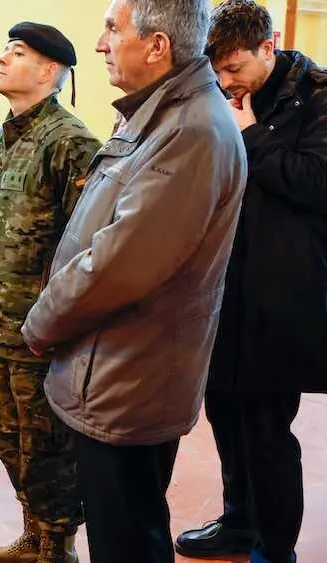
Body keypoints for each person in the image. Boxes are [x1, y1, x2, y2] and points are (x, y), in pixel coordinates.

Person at [19, 0, 247, 561]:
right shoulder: (161, 115)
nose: (100, 44)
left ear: (157, 47)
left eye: (111, 29)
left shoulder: (190, 130)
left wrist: (41, 322)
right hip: (112, 367)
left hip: (130, 379)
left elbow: (120, 264)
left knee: (127, 539)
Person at [175, 2, 327, 561]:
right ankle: (239, 520)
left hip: (281, 293)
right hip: (220, 289)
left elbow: (317, 183)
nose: (224, 81)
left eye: (236, 68)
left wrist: (252, 134)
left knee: (266, 429)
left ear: (271, 44)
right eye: (216, 69)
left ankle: (276, 547)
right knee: (224, 415)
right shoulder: (218, 89)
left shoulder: (318, 96)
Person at [0, 22, 101, 563]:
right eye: (5, 49)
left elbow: (90, 247)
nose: (2, 58)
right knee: (13, 445)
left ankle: (58, 547)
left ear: (49, 72)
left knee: (49, 449)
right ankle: (35, 533)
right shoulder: (2, 138)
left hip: (43, 336)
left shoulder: (70, 143)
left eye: (17, 52)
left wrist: (59, 326)